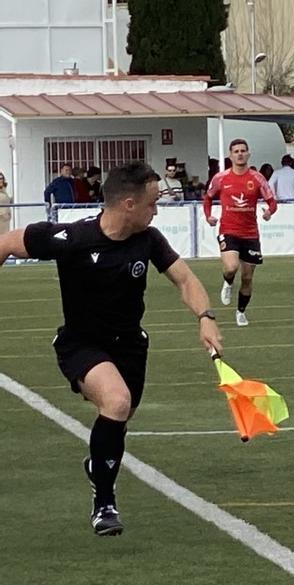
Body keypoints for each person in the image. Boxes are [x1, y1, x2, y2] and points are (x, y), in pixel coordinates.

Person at [0, 161, 223, 536]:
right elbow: (5, 243)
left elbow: (184, 279)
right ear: (129, 205)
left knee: (120, 416)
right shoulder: (73, 238)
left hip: (130, 347)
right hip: (81, 344)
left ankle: (98, 465)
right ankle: (104, 503)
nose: (157, 210)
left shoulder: (148, 240)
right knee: (116, 402)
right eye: (153, 203)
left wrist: (206, 316)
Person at [203, 139, 277, 327]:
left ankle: (241, 312)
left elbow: (272, 201)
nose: (240, 154)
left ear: (248, 154)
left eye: (243, 150)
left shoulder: (257, 178)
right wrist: (208, 216)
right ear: (231, 155)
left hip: (250, 234)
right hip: (228, 230)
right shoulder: (221, 178)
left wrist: (269, 212)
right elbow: (208, 198)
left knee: (247, 278)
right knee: (230, 267)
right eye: (236, 151)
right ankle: (227, 282)